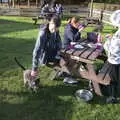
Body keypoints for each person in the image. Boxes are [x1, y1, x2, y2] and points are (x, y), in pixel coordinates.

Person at [103, 10, 120, 103]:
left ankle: (113, 97)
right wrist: (112, 37)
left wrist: (108, 41)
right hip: (117, 60)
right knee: (115, 76)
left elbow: (113, 50)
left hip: (115, 60)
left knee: (113, 79)